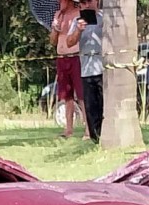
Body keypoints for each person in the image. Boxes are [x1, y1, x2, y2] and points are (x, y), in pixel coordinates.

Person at [49, 0, 88, 139]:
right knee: (67, 95)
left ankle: (88, 129)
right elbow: (52, 41)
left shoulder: (79, 14)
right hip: (61, 57)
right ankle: (69, 129)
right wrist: (55, 29)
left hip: (75, 56)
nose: (60, 3)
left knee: (81, 94)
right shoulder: (58, 15)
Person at [67, 0, 103, 143]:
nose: (86, 5)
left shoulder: (105, 18)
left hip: (102, 68)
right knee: (90, 107)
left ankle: (104, 134)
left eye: (89, 1)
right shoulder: (77, 21)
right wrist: (78, 30)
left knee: (103, 105)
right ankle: (95, 138)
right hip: (86, 69)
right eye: (83, 2)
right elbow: (69, 42)